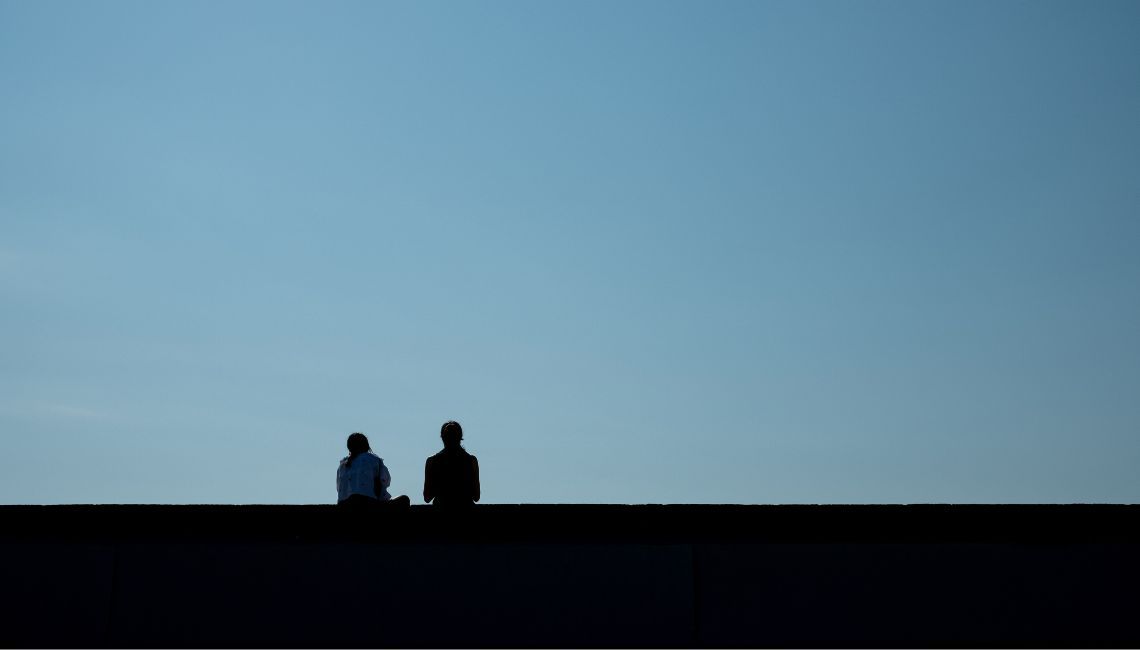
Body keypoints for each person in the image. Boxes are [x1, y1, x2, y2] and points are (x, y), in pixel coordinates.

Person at [336, 432, 410, 508]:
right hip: (365, 502)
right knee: (404, 499)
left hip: (343, 504)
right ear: (366, 445)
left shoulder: (342, 465)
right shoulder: (373, 460)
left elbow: (339, 489)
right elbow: (385, 482)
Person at [424, 420, 480, 507]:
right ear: (460, 437)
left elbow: (427, 497)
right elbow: (476, 496)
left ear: (442, 437)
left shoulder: (432, 461)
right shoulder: (471, 461)